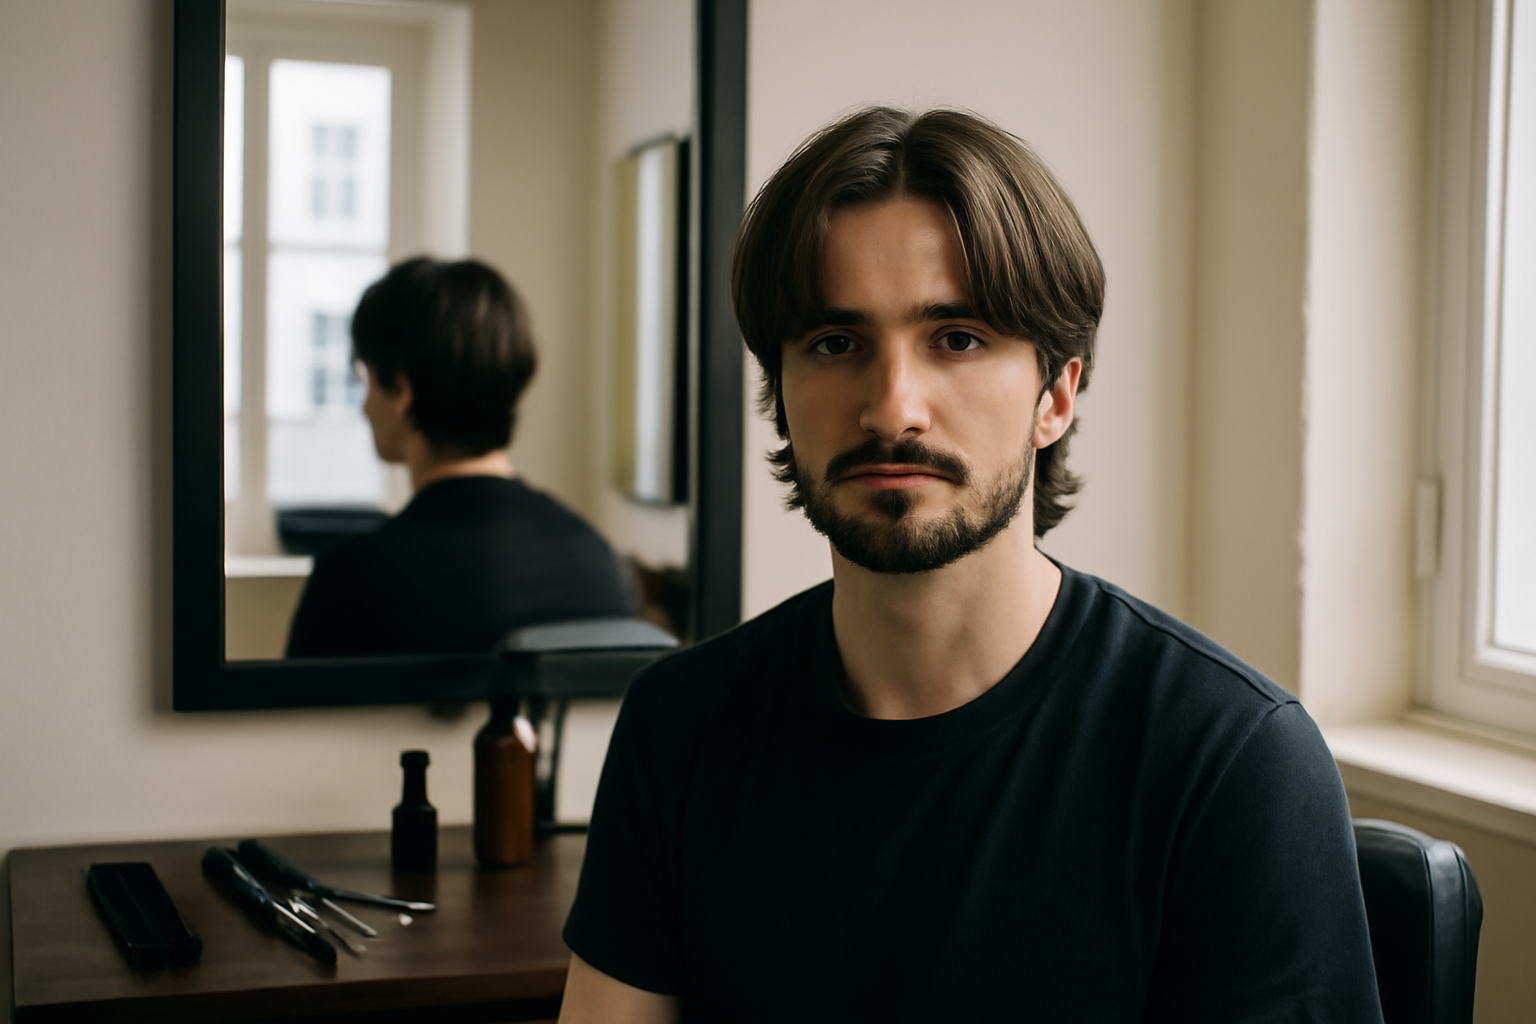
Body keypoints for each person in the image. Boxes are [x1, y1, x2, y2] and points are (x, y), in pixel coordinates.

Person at [557, 109, 1383, 1023]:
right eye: (836, 343)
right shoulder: (681, 730)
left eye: (956, 338)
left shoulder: (1228, 758)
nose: (892, 407)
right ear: (781, 396)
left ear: (1056, 396)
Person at [286, 257, 637, 658]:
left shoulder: (351, 582)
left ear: (402, 392)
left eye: (366, 379)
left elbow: (297, 722)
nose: (364, 407)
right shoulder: (599, 564)